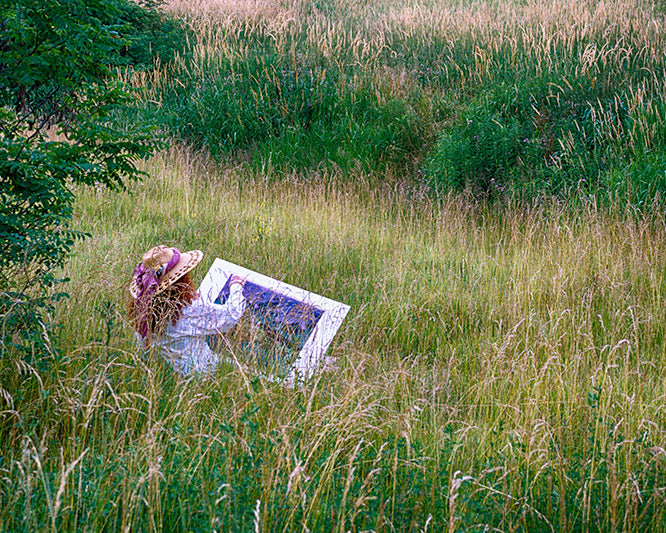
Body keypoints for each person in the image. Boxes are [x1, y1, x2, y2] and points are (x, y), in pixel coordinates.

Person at [129, 245, 246, 375]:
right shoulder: (189, 309)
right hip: (200, 373)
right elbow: (231, 315)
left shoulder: (143, 312)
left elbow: (144, 350)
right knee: (240, 368)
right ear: (181, 279)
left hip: (169, 374)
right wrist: (237, 285)